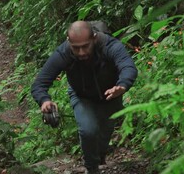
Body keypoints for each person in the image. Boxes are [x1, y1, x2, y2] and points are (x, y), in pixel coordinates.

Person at [31, 21, 138, 173]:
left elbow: (128, 66)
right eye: (76, 48)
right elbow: (40, 83)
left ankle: (100, 155)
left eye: (85, 46)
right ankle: (91, 168)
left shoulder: (109, 45)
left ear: (94, 38)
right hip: (82, 96)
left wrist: (122, 85)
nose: (81, 52)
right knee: (88, 129)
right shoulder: (64, 53)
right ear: (69, 42)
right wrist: (44, 100)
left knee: (106, 131)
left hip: (112, 94)